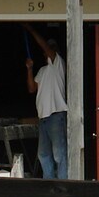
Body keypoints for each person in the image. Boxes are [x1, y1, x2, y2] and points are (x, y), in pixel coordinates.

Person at [25, 26, 70, 179]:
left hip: (56, 115)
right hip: (43, 118)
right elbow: (32, 89)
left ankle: (63, 185)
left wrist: (31, 30)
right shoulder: (43, 71)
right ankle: (49, 185)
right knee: (44, 155)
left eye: (52, 47)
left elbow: (43, 44)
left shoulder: (59, 64)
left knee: (59, 154)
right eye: (49, 48)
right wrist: (29, 69)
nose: (50, 50)